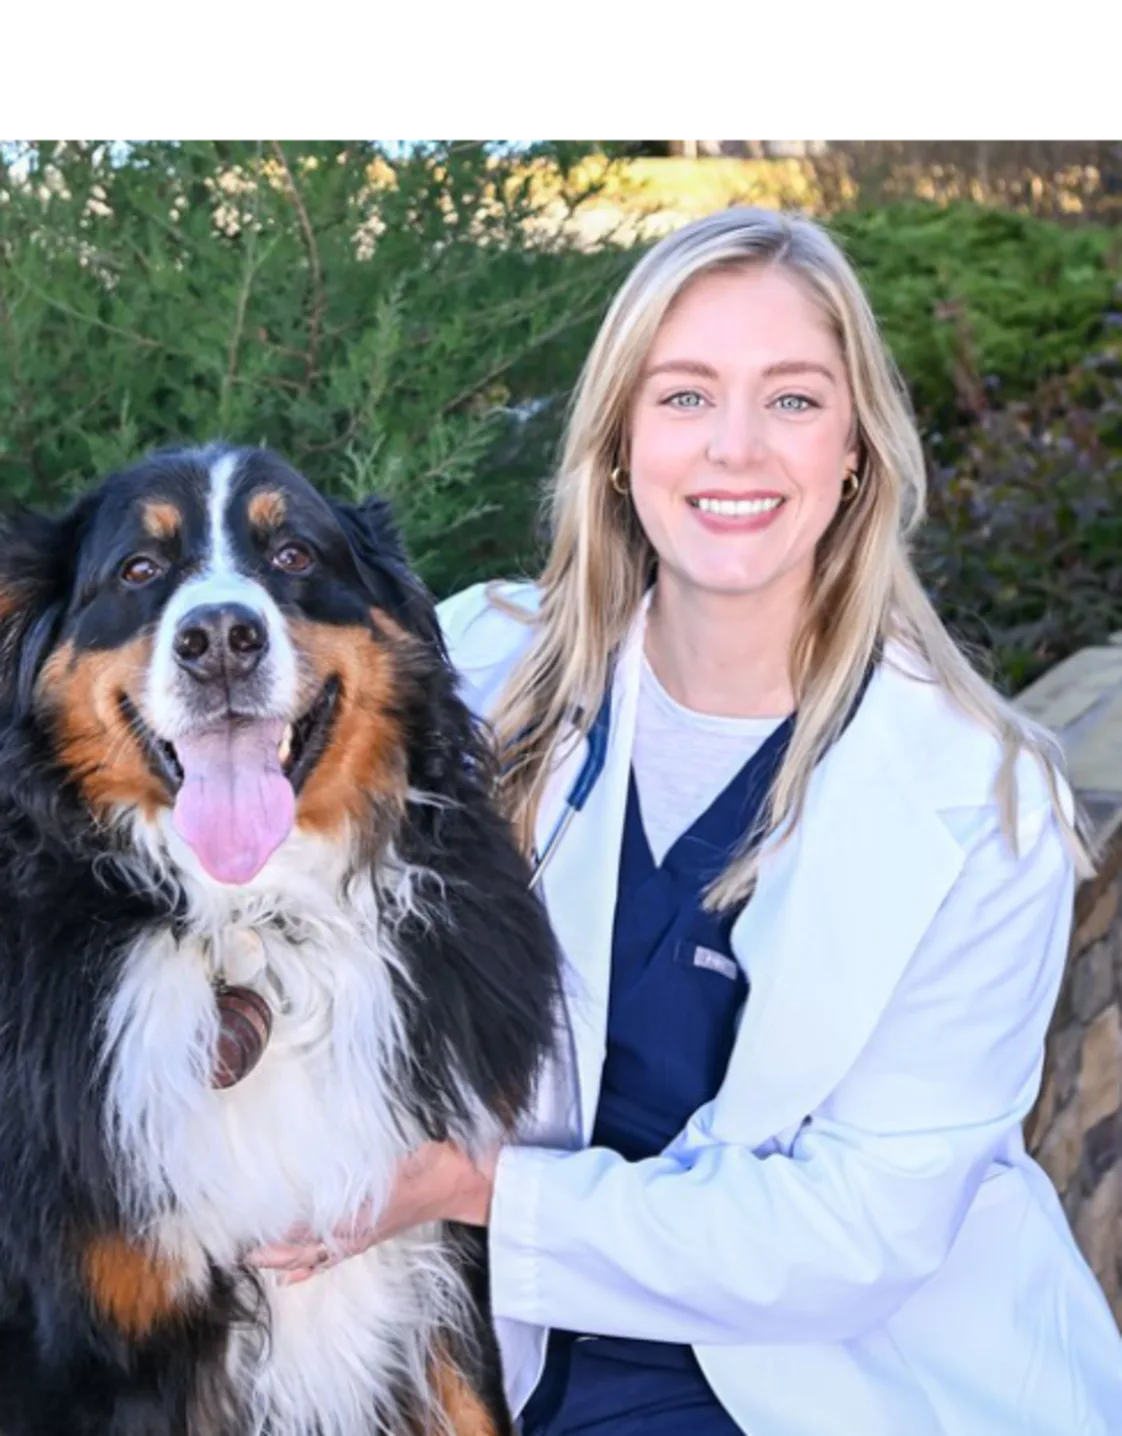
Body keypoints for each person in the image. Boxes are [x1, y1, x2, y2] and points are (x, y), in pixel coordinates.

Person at [249, 207, 1122, 1434]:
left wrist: (478, 1188)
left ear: (857, 448)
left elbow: (853, 1234)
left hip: (836, 1375)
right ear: (620, 439)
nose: (736, 447)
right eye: (686, 395)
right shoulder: (481, 670)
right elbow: (278, 891)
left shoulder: (983, 800)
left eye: (794, 398)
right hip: (503, 1353)